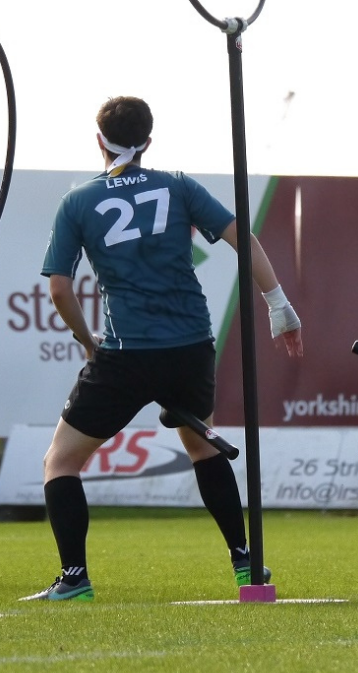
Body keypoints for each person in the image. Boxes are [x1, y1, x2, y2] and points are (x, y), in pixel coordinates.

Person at [20, 96, 303, 602]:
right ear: (148, 141)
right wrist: (279, 305)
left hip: (126, 352)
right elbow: (244, 238)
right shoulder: (177, 185)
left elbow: (60, 289)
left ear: (99, 139)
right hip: (190, 346)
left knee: (60, 462)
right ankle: (245, 561)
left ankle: (74, 578)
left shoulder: (79, 201)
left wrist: (87, 342)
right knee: (203, 447)